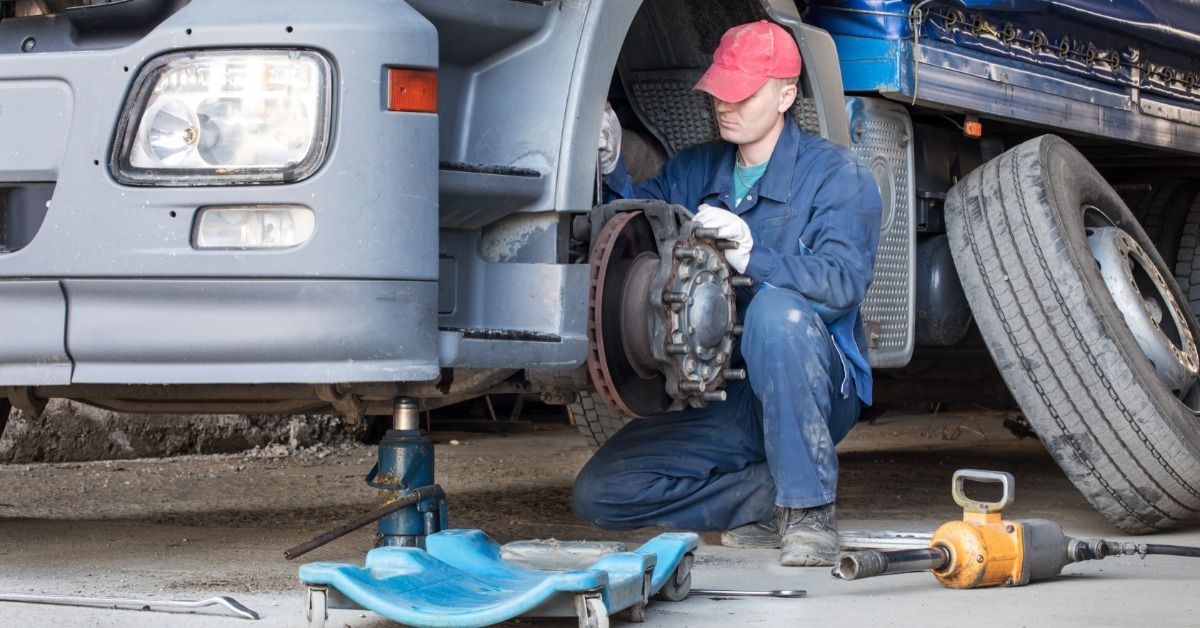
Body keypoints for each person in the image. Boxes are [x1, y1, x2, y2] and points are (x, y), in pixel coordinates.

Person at [575, 20, 883, 567]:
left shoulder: (838, 175)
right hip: (727, 395)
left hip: (814, 386)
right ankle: (763, 497)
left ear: (786, 94)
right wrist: (608, 167)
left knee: (776, 315)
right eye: (720, 89)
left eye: (743, 92)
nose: (726, 103)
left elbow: (840, 285)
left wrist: (752, 256)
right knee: (602, 492)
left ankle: (808, 514)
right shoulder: (696, 169)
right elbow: (629, 231)